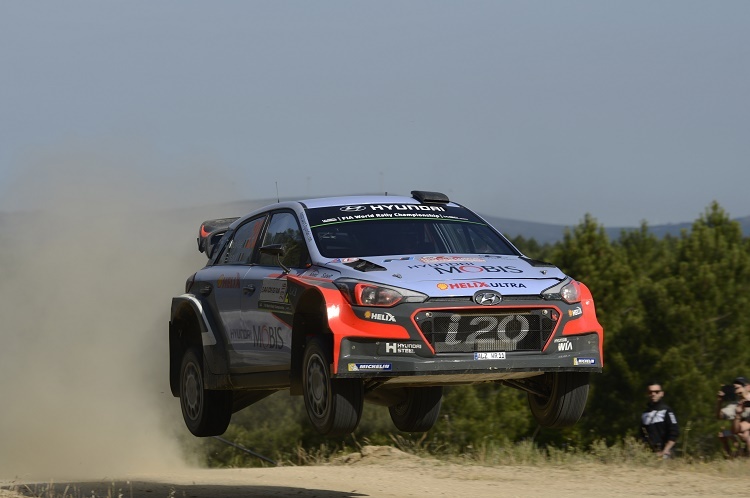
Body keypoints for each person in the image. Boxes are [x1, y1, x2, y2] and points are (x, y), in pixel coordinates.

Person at [641, 382, 679, 458]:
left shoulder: (666, 411)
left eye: (656, 392)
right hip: (649, 455)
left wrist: (664, 451)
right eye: (650, 392)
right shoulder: (645, 414)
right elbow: (641, 435)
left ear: (662, 394)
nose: (653, 394)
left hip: (665, 454)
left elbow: (674, 432)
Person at [715, 377, 750, 457]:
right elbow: (719, 416)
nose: (736, 390)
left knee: (745, 435)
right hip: (742, 431)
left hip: (745, 432)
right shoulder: (735, 405)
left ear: (748, 387)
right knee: (723, 435)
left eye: (738, 387)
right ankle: (735, 457)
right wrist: (719, 402)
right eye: (735, 388)